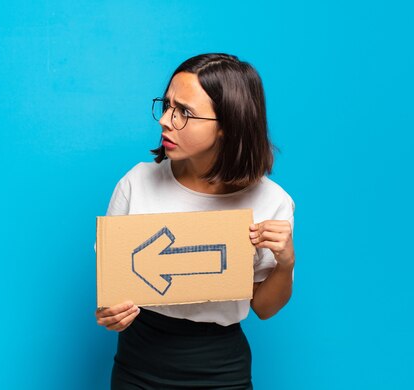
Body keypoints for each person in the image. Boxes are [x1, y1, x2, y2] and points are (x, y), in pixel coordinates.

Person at [96, 53, 296, 389]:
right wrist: (111, 313)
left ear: (227, 127)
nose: (165, 120)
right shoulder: (136, 183)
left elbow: (263, 307)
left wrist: (286, 263)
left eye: (184, 112)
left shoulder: (271, 201)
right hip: (139, 363)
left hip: (220, 369)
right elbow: (113, 290)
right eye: (167, 105)